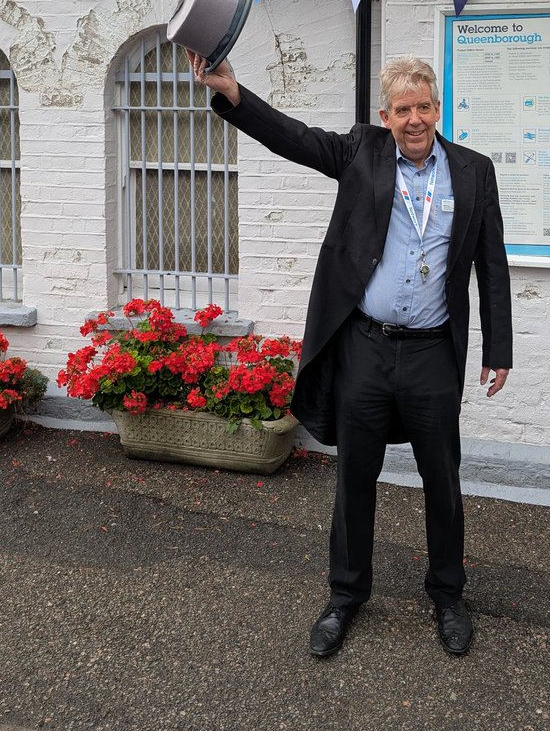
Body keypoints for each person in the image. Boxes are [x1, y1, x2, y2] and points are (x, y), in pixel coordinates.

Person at [187, 50, 513, 657]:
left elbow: (492, 265)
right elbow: (294, 138)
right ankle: (345, 595)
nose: (414, 120)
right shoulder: (361, 152)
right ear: (385, 115)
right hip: (365, 346)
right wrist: (232, 90)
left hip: (433, 352)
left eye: (424, 108)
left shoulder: (473, 171)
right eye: (402, 110)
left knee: (442, 479)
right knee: (354, 477)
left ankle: (447, 594)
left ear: (438, 110)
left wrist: (499, 348)